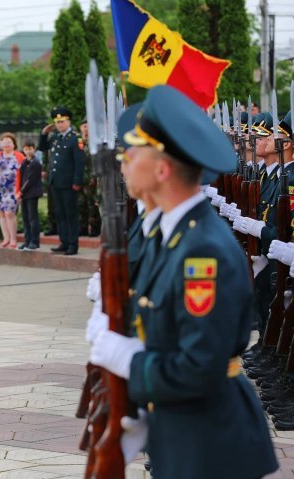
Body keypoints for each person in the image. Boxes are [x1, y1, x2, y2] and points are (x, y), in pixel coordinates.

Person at [88, 85, 278, 478]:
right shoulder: (173, 235)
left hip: (211, 446)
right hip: (183, 431)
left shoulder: (200, 251)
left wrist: (124, 357)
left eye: (133, 151)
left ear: (162, 168)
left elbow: (196, 368)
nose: (124, 160)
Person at [38, 107, 85, 255]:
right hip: (55, 181)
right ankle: (64, 242)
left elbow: (80, 161)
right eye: (57, 122)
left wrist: (77, 181)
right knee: (60, 213)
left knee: (70, 214)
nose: (59, 125)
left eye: (62, 122)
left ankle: (72, 244)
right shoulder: (56, 137)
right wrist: (44, 134)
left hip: (69, 182)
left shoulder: (75, 138)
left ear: (68, 121)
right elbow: (42, 147)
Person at [0, 135, 24, 249]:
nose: (7, 144)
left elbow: (25, 170)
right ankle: (6, 237)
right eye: (4, 142)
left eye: (9, 142)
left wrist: (20, 190)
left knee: (9, 213)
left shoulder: (19, 156)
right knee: (1, 214)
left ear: (14, 144)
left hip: (12, 189)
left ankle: (13, 238)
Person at [16, 140, 42, 251]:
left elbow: (30, 179)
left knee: (32, 218)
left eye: (30, 149)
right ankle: (27, 240)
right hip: (25, 194)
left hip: (32, 193)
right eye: (26, 149)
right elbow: (21, 177)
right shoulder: (24, 162)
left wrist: (21, 191)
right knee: (25, 218)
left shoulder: (35, 163)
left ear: (34, 149)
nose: (28, 151)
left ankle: (34, 241)